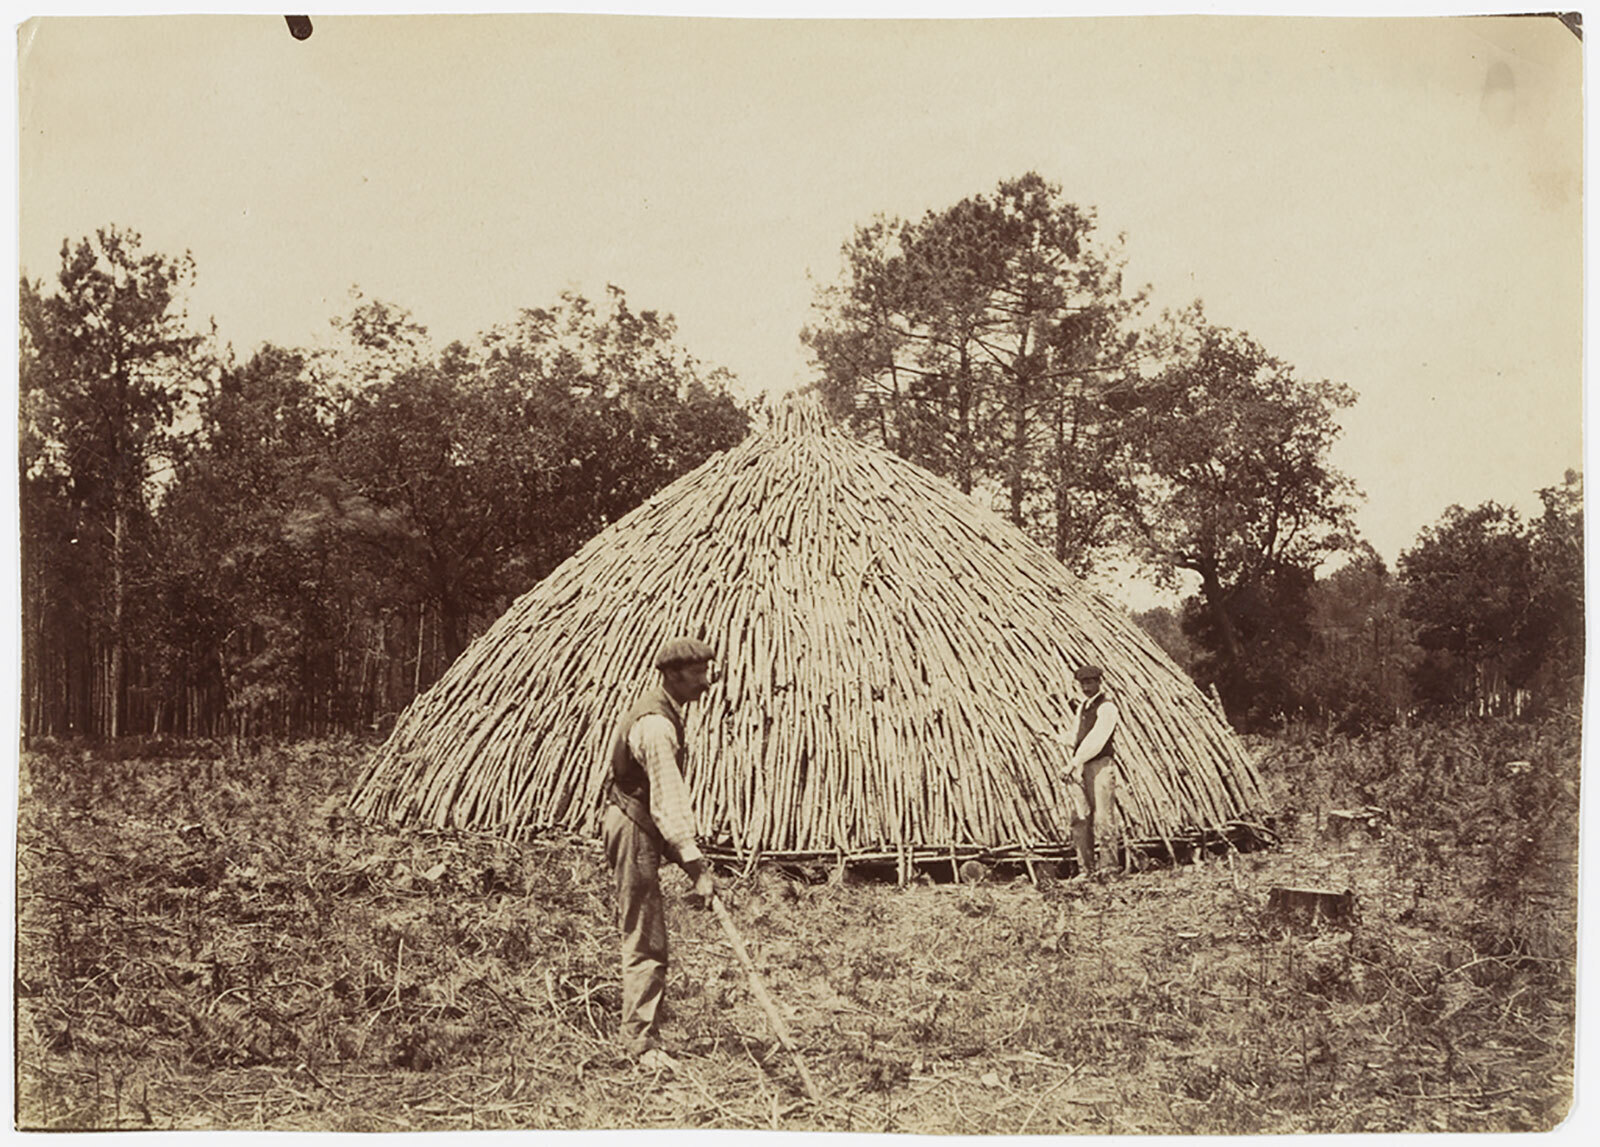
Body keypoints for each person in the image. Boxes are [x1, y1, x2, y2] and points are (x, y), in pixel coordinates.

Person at [602, 635, 719, 1064]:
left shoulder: (664, 712)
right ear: (671, 675)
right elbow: (667, 802)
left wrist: (692, 865)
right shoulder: (656, 726)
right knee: (645, 934)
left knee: (645, 930)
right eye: (696, 674)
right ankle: (640, 1042)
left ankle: (643, 1028)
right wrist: (697, 869)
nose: (705, 682)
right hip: (635, 824)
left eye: (706, 672)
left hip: (639, 818)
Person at [1061, 663, 1121, 879]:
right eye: (1082, 683)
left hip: (1100, 766)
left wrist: (1073, 763)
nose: (1086, 687)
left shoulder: (1107, 708)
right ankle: (1086, 870)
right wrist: (1058, 738)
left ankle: (1109, 869)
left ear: (1099, 682)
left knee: (1103, 818)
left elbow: (1096, 740)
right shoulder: (1083, 708)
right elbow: (1076, 736)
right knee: (1080, 818)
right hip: (1083, 766)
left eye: (1090, 682)